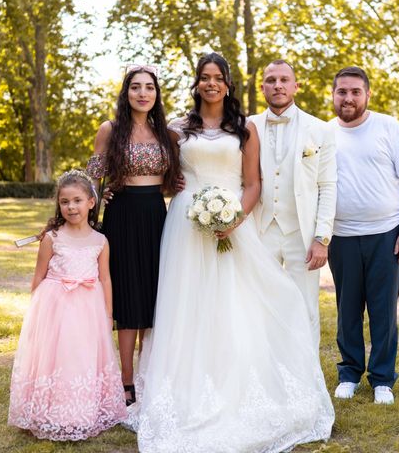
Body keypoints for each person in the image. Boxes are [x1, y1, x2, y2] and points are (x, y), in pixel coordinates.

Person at [124, 53, 334, 453]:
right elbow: (163, 176)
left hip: (231, 223)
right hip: (185, 224)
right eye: (204, 77)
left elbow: (252, 184)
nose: (211, 84)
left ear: (228, 84)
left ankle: (236, 381)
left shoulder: (246, 129)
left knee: (238, 303)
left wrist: (234, 219)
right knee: (186, 302)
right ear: (196, 83)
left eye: (218, 78)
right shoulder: (176, 128)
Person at [8, 170, 127, 440]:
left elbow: (105, 278)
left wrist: (107, 314)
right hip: (56, 306)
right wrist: (38, 315)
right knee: (57, 357)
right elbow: (38, 277)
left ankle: (81, 411)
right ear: (58, 204)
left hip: (88, 307)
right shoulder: (52, 238)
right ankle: (52, 411)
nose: (71, 207)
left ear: (90, 202)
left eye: (76, 200)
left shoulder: (100, 240)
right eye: (64, 202)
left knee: (82, 355)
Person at [327, 66, 399, 405]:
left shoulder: (389, 128)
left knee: (383, 310)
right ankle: (350, 373)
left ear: (367, 94)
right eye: (342, 92)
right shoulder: (324, 134)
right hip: (341, 236)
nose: (348, 98)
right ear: (333, 95)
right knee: (347, 309)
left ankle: (383, 378)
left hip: (387, 235)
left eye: (355, 91)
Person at [86, 66, 179, 406]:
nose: (143, 93)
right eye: (136, 87)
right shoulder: (110, 130)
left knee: (152, 298)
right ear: (126, 93)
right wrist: (91, 211)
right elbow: (91, 179)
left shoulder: (165, 133)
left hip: (156, 216)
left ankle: (148, 374)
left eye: (149, 88)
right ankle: (126, 381)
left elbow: (174, 178)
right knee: (127, 301)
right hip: (122, 216)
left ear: (157, 94)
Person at [249, 60, 337, 348]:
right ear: (262, 87)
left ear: (295, 86)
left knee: (305, 305)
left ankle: (307, 375)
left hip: (303, 231)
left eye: (284, 80)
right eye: (271, 80)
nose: (278, 85)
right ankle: (266, 370)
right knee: (261, 302)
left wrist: (322, 238)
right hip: (261, 228)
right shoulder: (248, 126)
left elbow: (328, 186)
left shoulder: (320, 130)